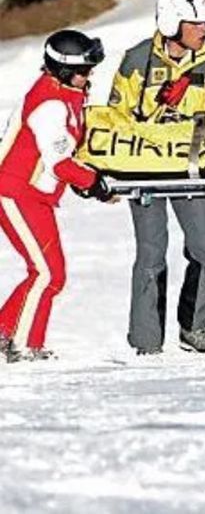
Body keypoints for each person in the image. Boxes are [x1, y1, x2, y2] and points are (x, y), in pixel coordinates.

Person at [109, 0, 205, 355]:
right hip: (144, 173)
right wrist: (112, 176)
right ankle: (147, 343)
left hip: (193, 171)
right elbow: (116, 120)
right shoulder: (137, 61)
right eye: (197, 24)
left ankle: (193, 329)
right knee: (151, 254)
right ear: (173, 22)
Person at [0, 30, 112, 362]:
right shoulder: (49, 102)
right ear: (63, 70)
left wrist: (91, 180)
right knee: (48, 274)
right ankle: (24, 345)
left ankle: (7, 330)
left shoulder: (67, 93)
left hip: (35, 195)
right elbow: (59, 162)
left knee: (48, 273)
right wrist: (96, 183)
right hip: (15, 193)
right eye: (84, 70)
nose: (89, 76)